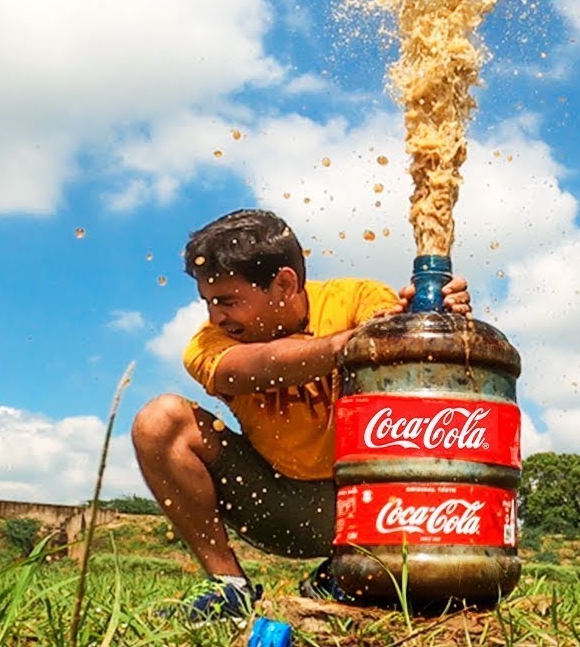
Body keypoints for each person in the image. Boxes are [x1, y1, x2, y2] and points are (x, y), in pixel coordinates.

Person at [130, 208, 472, 621]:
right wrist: (349, 345)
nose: (215, 316)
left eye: (228, 301)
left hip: (370, 509)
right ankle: (229, 586)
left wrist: (433, 317)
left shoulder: (358, 297)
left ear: (285, 283)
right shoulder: (209, 343)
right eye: (208, 302)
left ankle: (346, 575)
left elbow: (399, 342)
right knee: (159, 420)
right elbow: (255, 367)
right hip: (273, 504)